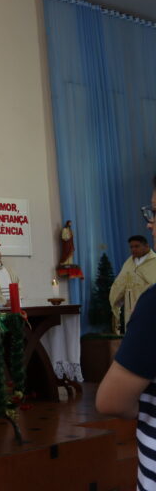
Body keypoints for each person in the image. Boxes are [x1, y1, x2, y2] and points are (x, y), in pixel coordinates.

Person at [97, 177, 156, 489]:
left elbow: (112, 401)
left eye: (155, 213)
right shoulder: (128, 264)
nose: (149, 223)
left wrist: (141, 405)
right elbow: (118, 287)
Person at [109, 235, 156, 331]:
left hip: (149, 305)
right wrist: (115, 299)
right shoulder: (129, 263)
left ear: (146, 246)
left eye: (137, 246)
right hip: (131, 306)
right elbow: (120, 283)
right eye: (131, 247)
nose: (133, 249)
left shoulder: (154, 262)